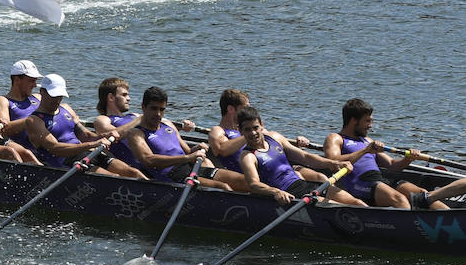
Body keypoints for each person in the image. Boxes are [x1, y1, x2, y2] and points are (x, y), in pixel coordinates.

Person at [235, 107, 366, 206]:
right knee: (340, 207)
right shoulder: (247, 157)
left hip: (304, 185)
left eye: (255, 127)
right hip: (289, 195)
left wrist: (332, 163)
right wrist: (275, 192)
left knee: (357, 203)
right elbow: (253, 184)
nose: (253, 133)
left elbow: (305, 157)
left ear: (261, 125)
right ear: (240, 131)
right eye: (247, 129)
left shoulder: (275, 137)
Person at [324, 98, 439, 208]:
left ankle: (450, 217)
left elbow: (392, 165)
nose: (370, 125)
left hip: (380, 180)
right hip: (360, 184)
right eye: (367, 121)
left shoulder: (367, 141)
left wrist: (408, 159)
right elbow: (333, 162)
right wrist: (365, 151)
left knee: (424, 195)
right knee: (399, 199)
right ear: (354, 120)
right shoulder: (336, 138)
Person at [22, 74, 141, 175]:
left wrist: (103, 135)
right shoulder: (34, 120)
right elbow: (55, 148)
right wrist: (92, 144)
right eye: (54, 96)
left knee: (133, 173)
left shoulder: (66, 109)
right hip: (66, 162)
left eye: (60, 96)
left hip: (86, 152)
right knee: (114, 177)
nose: (57, 100)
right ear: (42, 92)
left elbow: (86, 136)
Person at [123, 87, 234, 187]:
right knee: (223, 187)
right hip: (172, 175)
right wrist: (187, 158)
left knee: (238, 181)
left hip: (189, 168)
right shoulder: (136, 133)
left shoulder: (169, 126)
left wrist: (196, 149)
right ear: (143, 107)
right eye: (153, 108)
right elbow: (149, 160)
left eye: (162, 109)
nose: (158, 114)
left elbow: (188, 152)